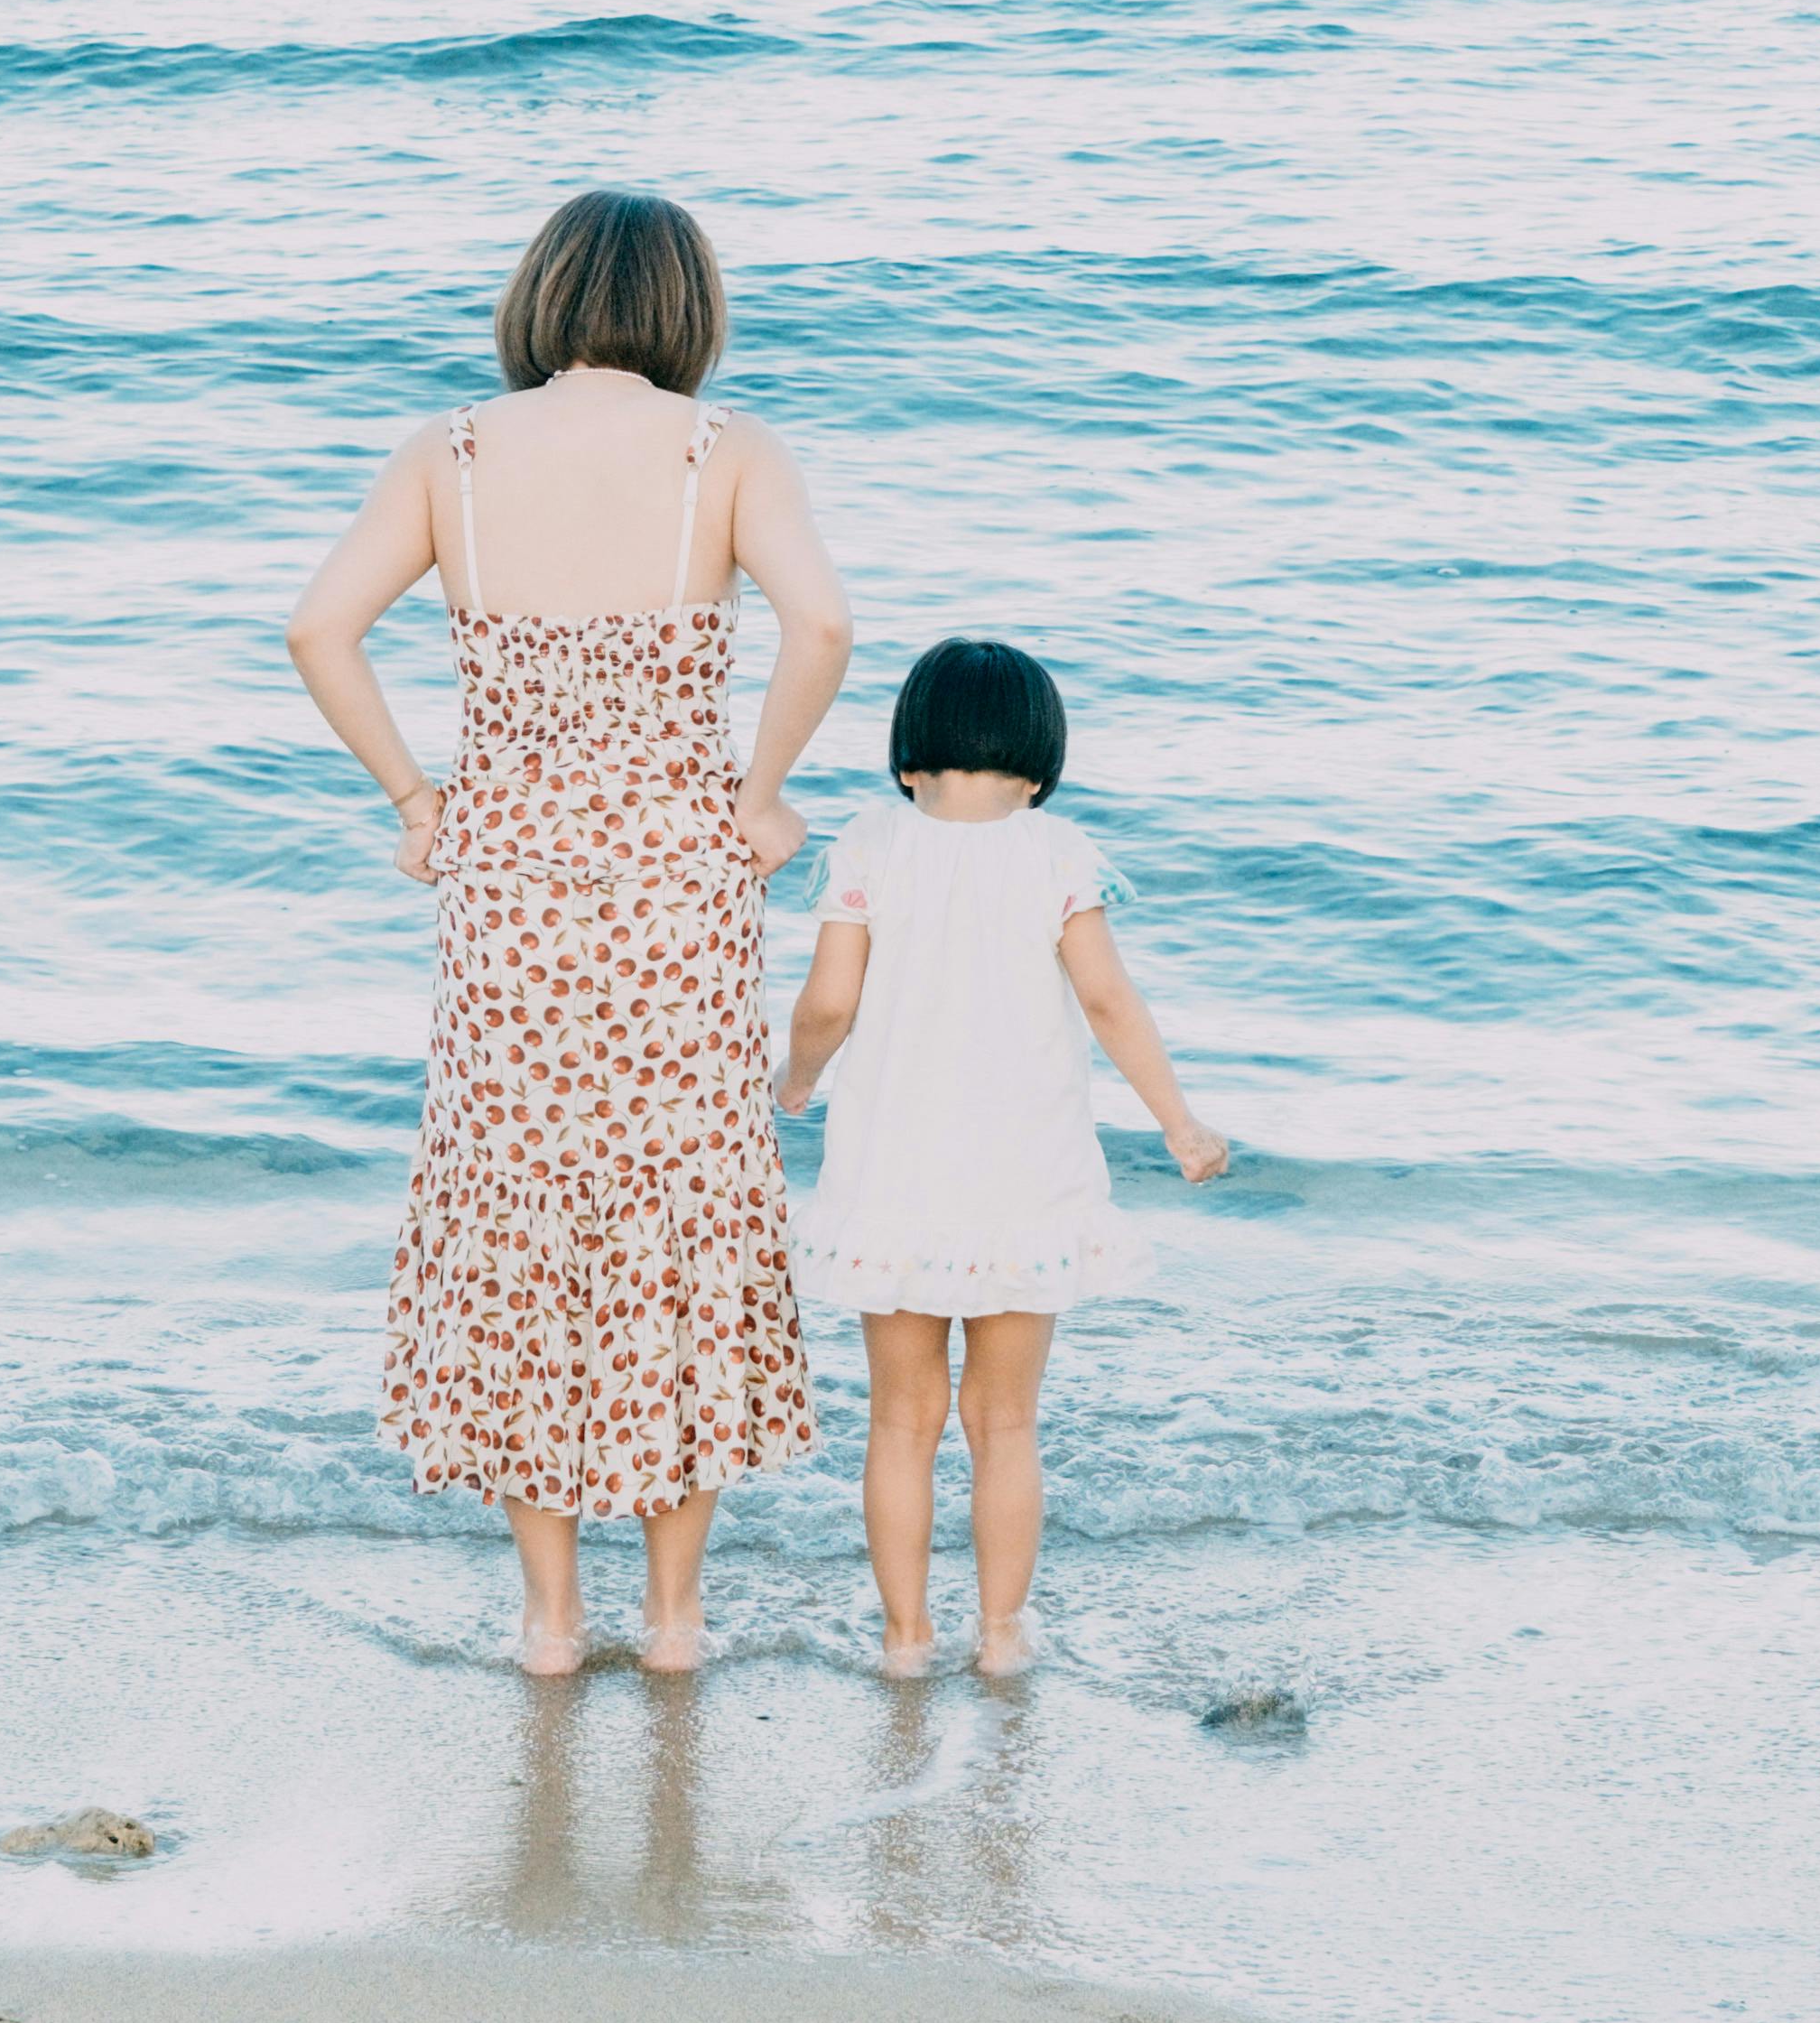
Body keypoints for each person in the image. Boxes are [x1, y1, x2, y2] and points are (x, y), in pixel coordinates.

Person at [287, 188, 853, 1675]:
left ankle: (548, 1618)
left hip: (509, 877)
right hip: (675, 873)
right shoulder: (724, 453)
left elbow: (316, 628)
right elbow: (825, 628)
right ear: (687, 309)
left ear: (538, 297)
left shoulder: (450, 452)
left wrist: (415, 794)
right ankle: (673, 1617)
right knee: (678, 1205)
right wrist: (762, 791)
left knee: (525, 1211)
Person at [772, 636, 1229, 1677]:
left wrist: (795, 1081)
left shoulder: (869, 847)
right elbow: (1108, 1000)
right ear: (1037, 765)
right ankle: (1002, 1636)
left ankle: (902, 1638)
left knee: (901, 1419)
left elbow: (831, 1001)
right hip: (1027, 1176)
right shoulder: (1060, 852)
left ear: (906, 759)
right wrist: (1178, 1123)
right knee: (1006, 1420)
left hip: (894, 1179)